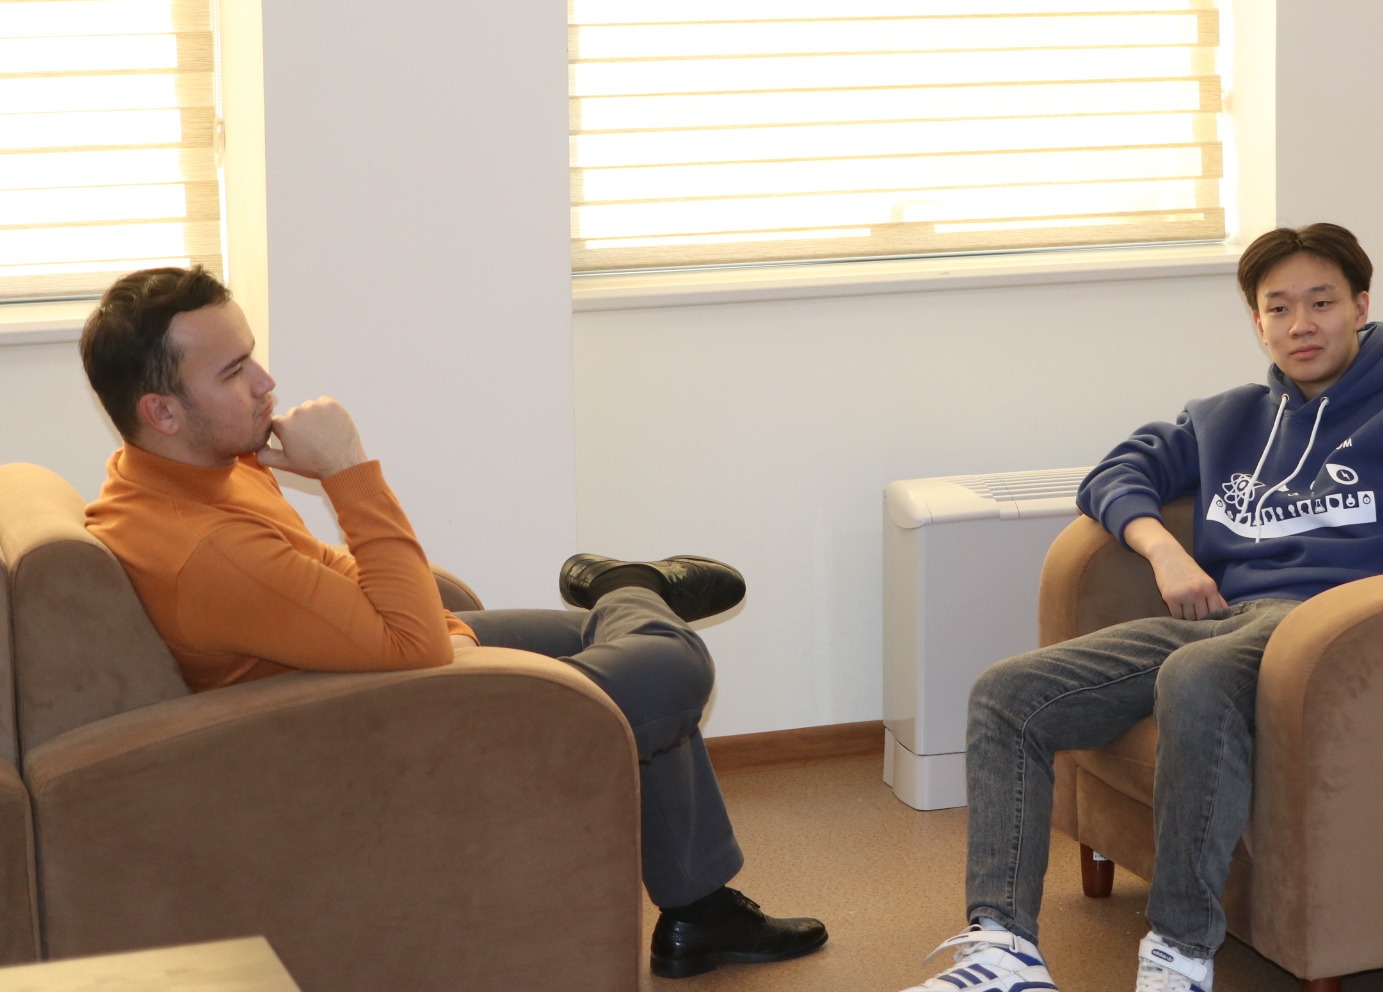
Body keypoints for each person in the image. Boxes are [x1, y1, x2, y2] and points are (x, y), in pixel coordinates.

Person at [78, 266, 826, 979]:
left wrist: (447, 630)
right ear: (162, 412)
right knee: (671, 663)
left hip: (367, 673)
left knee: (600, 641)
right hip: (386, 733)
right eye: (235, 370)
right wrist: (347, 469)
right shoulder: (207, 548)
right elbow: (410, 642)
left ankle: (701, 914)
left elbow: (335, 583)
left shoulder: (177, 475)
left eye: (254, 356)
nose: (266, 382)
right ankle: (635, 585)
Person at [899, 224, 1383, 992]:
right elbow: (1115, 474)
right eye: (1279, 308)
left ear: (1361, 306)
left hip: (1341, 625)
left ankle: (1179, 955)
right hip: (1231, 618)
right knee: (1007, 694)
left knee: (1197, 673)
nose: (1301, 324)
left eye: (1322, 303)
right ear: (1257, 323)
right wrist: (1164, 551)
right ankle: (1004, 950)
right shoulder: (1228, 417)